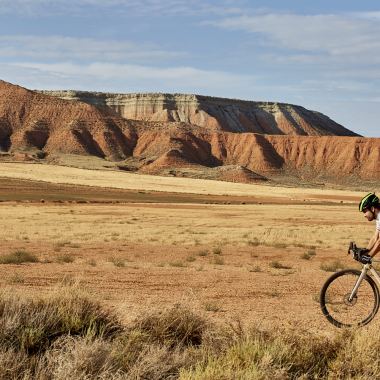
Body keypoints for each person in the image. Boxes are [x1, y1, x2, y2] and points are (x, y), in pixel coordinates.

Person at [358, 192, 380, 259]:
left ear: (372, 208)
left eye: (365, 211)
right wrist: (366, 251)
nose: (364, 215)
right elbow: (375, 237)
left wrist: (369, 256)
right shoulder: (378, 217)